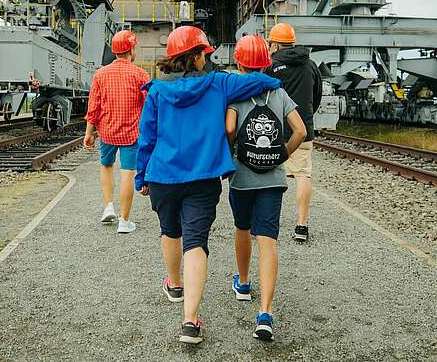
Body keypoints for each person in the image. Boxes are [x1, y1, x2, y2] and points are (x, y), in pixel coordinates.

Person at [136, 26, 281, 345]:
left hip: (163, 177)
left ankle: (174, 284)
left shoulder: (158, 90)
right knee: (196, 242)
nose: (209, 58)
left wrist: (141, 176)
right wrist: (272, 79)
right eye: (206, 54)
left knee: (170, 231)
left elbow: (146, 138)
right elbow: (264, 82)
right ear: (197, 56)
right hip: (202, 180)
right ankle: (190, 321)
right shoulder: (219, 84)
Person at [225, 35, 307, 341]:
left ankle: (244, 283)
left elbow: (231, 128)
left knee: (242, 228)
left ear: (239, 63)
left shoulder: (236, 94)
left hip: (243, 178)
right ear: (267, 63)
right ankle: (266, 313)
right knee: (268, 240)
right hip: (273, 179)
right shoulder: (279, 92)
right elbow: (301, 130)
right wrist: (283, 154)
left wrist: (230, 155)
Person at [83, 30, 150, 234]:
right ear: (131, 49)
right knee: (127, 174)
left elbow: (94, 106)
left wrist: (88, 132)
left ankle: (108, 207)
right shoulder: (140, 74)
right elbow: (148, 106)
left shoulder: (100, 74)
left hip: (107, 132)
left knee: (106, 166)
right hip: (131, 133)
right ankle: (124, 221)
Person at [264, 22, 322, 242]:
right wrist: (304, 118)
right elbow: (316, 97)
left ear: (276, 45)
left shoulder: (271, 66)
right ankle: (301, 225)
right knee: (302, 175)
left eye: (270, 43)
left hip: (272, 132)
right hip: (303, 130)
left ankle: (265, 223)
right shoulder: (310, 65)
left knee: (267, 176)